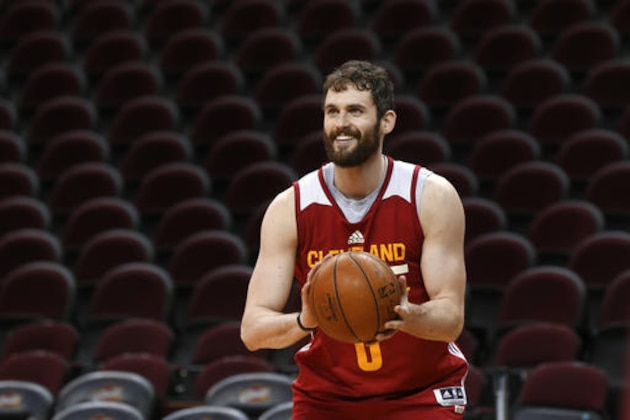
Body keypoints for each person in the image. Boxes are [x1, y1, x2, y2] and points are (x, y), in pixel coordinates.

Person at [241, 60, 468, 419]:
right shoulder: (291, 207)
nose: (341, 123)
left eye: (355, 111)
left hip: (420, 394)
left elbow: (451, 318)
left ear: (387, 121)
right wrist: (305, 320)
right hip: (327, 400)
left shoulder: (430, 196)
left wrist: (408, 316)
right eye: (332, 111)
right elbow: (252, 329)